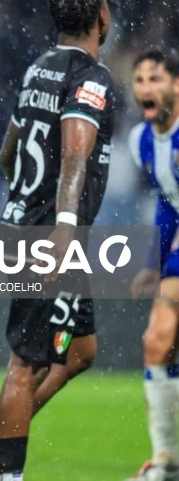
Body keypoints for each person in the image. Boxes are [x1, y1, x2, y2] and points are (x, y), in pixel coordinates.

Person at [0, 0, 114, 480]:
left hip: (32, 226)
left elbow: (8, 152)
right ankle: (3, 470)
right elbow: (74, 156)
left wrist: (25, 203)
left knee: (78, 352)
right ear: (102, 18)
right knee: (27, 363)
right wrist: (61, 228)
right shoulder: (92, 77)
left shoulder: (37, 68)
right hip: (52, 237)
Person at [126, 49, 179, 481]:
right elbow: (167, 202)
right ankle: (166, 460)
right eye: (140, 79)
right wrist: (153, 263)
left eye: (156, 78)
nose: (146, 87)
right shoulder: (141, 140)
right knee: (158, 342)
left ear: (176, 85)